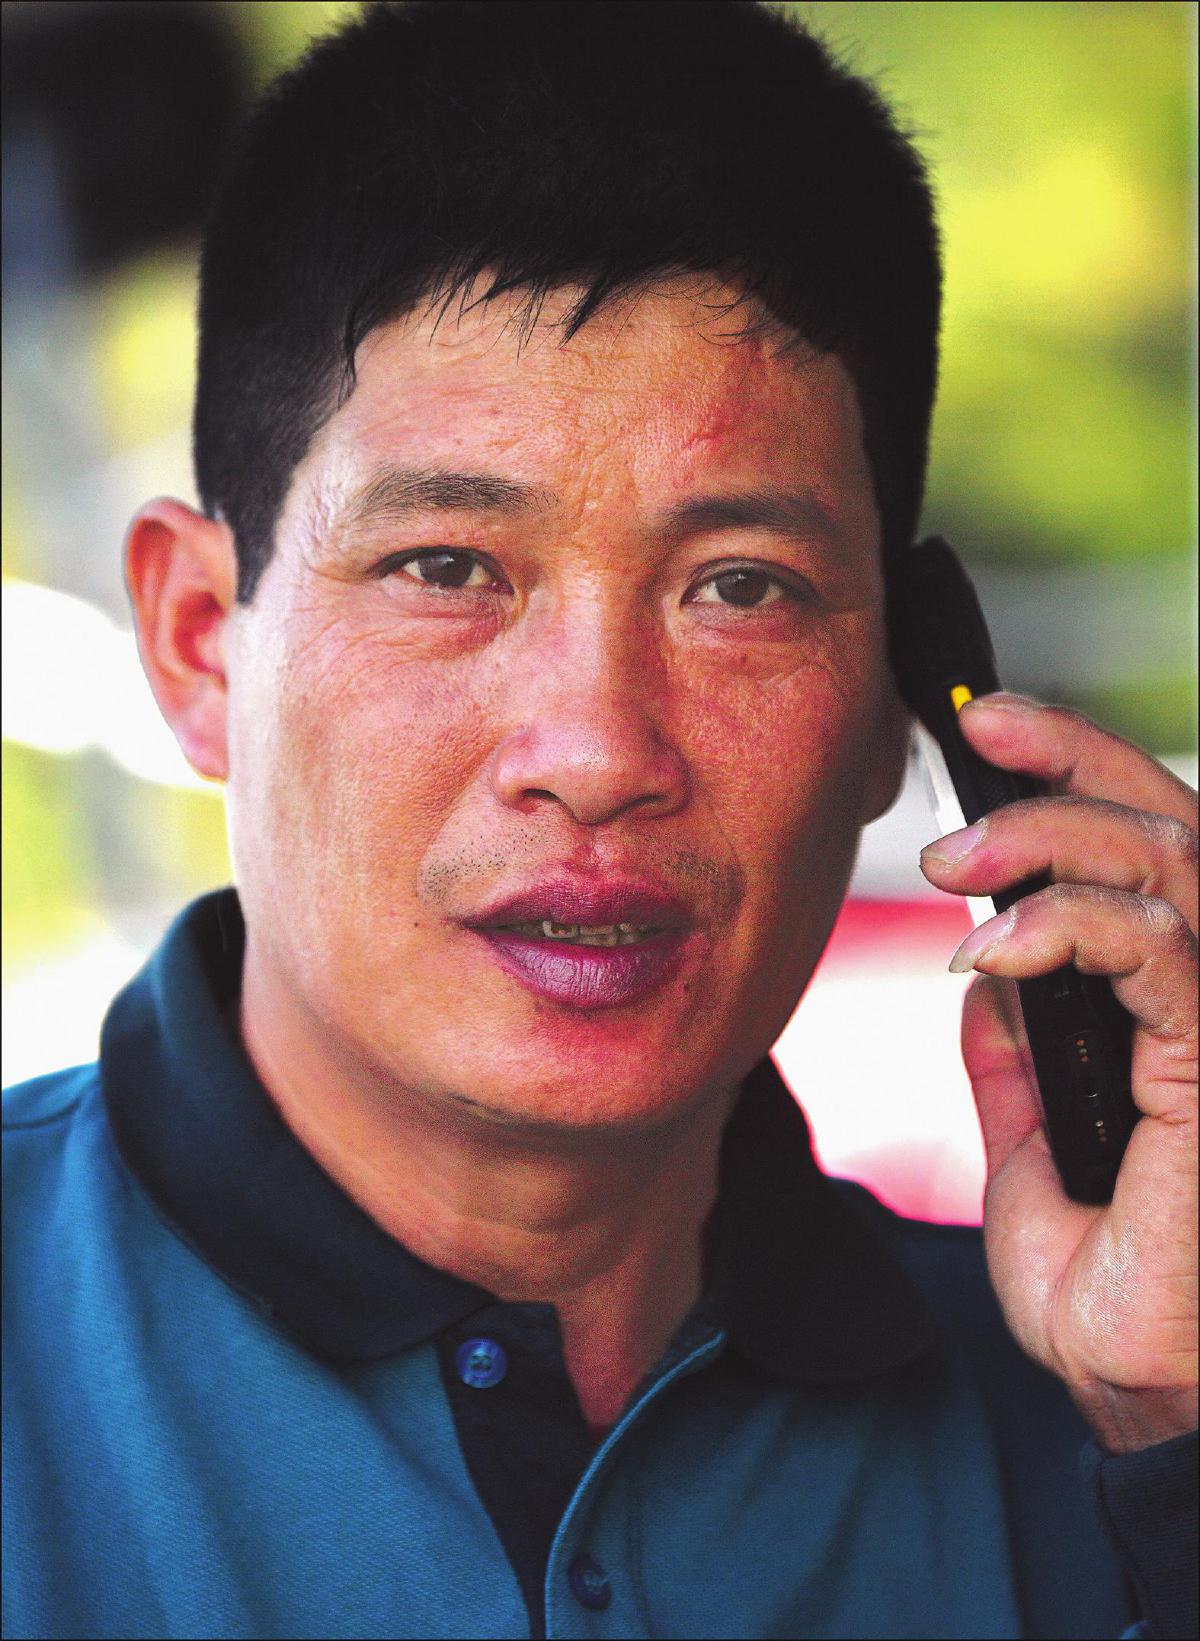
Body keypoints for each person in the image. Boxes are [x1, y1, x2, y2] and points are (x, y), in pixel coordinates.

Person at [3, 4, 1196, 1638]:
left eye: (741, 588)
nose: (597, 752)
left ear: (904, 702)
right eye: (445, 567)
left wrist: (1172, 1435)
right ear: (200, 641)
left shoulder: (1105, 1409)